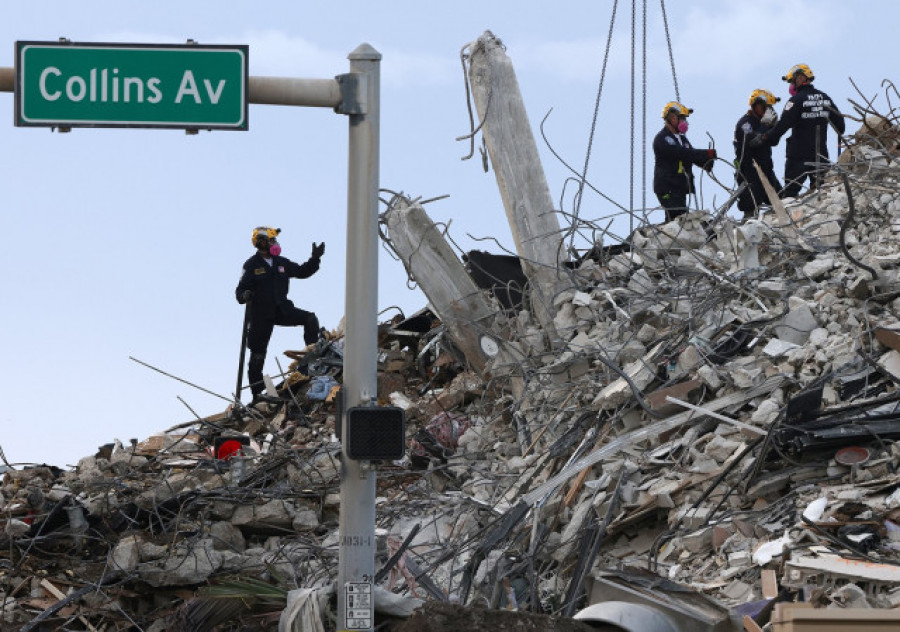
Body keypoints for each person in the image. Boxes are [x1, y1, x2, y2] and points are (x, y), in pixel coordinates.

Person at [235, 226, 325, 402]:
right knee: (257, 354)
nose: (275, 243)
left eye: (275, 240)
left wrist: (315, 259)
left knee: (310, 319)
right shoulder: (251, 265)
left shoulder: (281, 262)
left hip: (282, 309)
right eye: (272, 240)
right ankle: (257, 393)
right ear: (261, 243)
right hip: (261, 314)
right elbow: (240, 289)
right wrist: (244, 296)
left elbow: (301, 271)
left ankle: (311, 360)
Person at [754, 63, 845, 198]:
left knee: (790, 195)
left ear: (800, 78)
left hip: (798, 156)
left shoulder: (795, 101)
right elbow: (840, 126)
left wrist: (766, 137)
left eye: (792, 81)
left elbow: (782, 125)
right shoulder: (825, 98)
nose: (791, 86)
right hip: (821, 155)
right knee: (824, 192)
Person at [653, 101, 717, 222]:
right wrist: (706, 153)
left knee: (675, 220)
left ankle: (668, 237)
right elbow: (682, 153)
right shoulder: (663, 139)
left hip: (678, 187)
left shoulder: (682, 139)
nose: (685, 123)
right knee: (679, 217)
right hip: (667, 187)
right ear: (672, 118)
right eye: (682, 119)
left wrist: (707, 163)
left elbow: (691, 155)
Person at [733, 89, 783, 219]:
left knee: (782, 200)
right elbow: (753, 141)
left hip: (766, 171)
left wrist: (774, 127)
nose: (767, 110)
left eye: (769, 107)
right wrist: (765, 125)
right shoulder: (745, 123)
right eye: (765, 107)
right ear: (755, 105)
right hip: (749, 173)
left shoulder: (764, 123)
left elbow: (774, 141)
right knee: (750, 210)